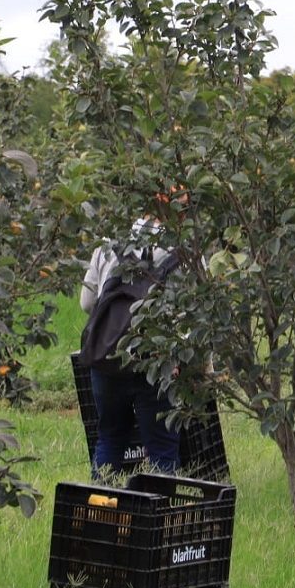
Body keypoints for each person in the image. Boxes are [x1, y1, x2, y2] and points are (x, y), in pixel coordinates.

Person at [80, 201, 180, 479]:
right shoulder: (181, 247)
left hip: (108, 358)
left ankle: (99, 508)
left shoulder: (108, 243)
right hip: (156, 362)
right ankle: (158, 516)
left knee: (110, 438)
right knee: (162, 449)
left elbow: (87, 302)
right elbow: (193, 317)